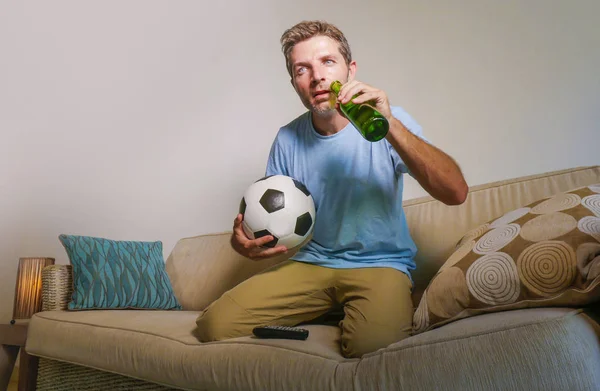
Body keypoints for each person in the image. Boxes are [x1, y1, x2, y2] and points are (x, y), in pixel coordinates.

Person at [195, 20, 468, 358]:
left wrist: (391, 125)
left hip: (379, 264)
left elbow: (456, 192)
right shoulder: (287, 139)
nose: (317, 76)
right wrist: (246, 246)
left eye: (327, 62)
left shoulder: (386, 122)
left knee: (371, 349)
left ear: (349, 70)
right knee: (212, 326)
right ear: (295, 82)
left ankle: (361, 310)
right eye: (302, 69)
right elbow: (274, 224)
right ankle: (329, 309)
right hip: (313, 263)